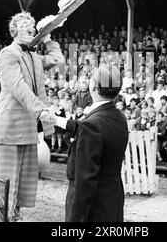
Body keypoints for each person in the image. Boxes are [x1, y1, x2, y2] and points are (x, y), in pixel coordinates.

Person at [0, 11, 64, 221]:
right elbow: (18, 86)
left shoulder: (33, 55)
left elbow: (57, 59)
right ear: (13, 30)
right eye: (23, 24)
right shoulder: (7, 53)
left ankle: (14, 217)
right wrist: (40, 109)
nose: (28, 28)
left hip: (29, 129)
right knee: (5, 185)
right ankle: (1, 219)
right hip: (12, 127)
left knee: (22, 184)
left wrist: (48, 39)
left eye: (30, 25)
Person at [47, 65, 128, 222]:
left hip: (93, 208)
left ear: (93, 86)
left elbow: (85, 180)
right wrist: (56, 119)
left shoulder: (92, 124)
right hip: (111, 199)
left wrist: (75, 218)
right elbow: (88, 128)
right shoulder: (118, 117)